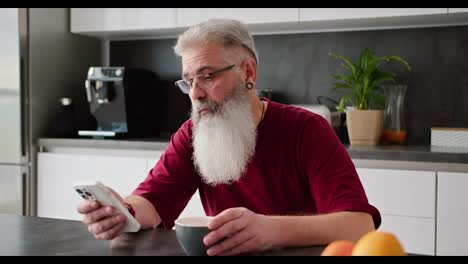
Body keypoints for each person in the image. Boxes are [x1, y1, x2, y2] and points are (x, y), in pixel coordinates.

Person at [77, 19, 381, 256]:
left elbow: (358, 225)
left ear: (248, 72)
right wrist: (121, 212)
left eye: (208, 76)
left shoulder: (307, 130)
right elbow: (152, 201)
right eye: (188, 81)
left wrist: (269, 230)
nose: (195, 93)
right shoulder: (194, 134)